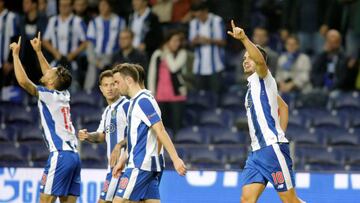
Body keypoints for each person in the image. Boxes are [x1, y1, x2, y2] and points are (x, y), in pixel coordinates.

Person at [228, 20, 304, 203]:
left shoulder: (264, 78)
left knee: (290, 201)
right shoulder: (254, 88)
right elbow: (283, 107)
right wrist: (280, 131)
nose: (246, 60)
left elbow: (260, 61)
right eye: (244, 58)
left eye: (249, 57)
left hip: (271, 150)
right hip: (256, 153)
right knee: (246, 199)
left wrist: (244, 38)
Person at [10, 33, 80, 202]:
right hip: (74, 156)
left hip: (61, 154)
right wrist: (39, 51)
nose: (48, 71)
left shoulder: (49, 95)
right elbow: (51, 74)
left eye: (52, 72)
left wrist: (15, 55)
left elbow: (23, 82)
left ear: (51, 83)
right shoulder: (64, 94)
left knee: (45, 200)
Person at [111, 63, 186, 203]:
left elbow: (160, 130)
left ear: (129, 80)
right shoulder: (135, 102)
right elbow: (136, 138)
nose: (115, 86)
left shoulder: (143, 101)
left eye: (117, 82)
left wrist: (175, 159)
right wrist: (122, 160)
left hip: (140, 166)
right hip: (145, 166)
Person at [78, 70, 129, 202]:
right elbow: (102, 135)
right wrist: (88, 135)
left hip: (127, 168)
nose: (109, 88)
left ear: (118, 85)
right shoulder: (107, 111)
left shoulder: (126, 106)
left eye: (113, 84)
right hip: (113, 169)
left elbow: (138, 134)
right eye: (105, 85)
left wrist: (119, 145)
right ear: (101, 89)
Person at [147, 30, 188, 133]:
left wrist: (167, 53)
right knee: (161, 127)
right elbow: (152, 74)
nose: (176, 43)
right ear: (167, 41)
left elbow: (173, 67)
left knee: (176, 126)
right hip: (160, 95)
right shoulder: (157, 54)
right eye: (174, 41)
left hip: (177, 95)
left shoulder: (182, 53)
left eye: (178, 41)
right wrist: (151, 93)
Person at [43, 0, 87, 90]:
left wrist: (72, 54)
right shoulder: (53, 21)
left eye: (66, 6)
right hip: (56, 61)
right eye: (61, 6)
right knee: (52, 88)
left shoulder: (77, 21)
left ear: (71, 7)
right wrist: (55, 53)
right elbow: (45, 40)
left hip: (72, 62)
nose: (63, 8)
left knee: (73, 88)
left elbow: (86, 42)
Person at [84, 0, 126, 91]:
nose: (102, 7)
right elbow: (90, 44)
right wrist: (95, 61)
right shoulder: (94, 22)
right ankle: (89, 92)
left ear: (110, 6)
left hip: (114, 57)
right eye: (100, 5)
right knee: (92, 67)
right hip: (97, 57)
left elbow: (123, 41)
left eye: (105, 5)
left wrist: (118, 59)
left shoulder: (119, 21)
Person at [188, 1, 226, 93]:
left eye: (200, 15)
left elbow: (223, 42)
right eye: (196, 15)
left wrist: (209, 40)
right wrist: (196, 40)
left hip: (216, 65)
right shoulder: (193, 23)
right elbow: (190, 43)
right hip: (199, 66)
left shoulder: (217, 20)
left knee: (216, 94)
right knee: (200, 97)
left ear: (205, 11)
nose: (198, 18)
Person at [19, 0, 48, 84]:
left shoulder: (44, 20)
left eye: (27, 3)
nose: (23, 5)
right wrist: (21, 61)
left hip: (39, 61)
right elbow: (21, 42)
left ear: (34, 4)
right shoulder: (22, 20)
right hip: (26, 61)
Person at [0, 0, 18, 87]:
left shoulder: (11, 17)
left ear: (2, 2)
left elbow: (14, 39)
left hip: (5, 63)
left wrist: (10, 61)